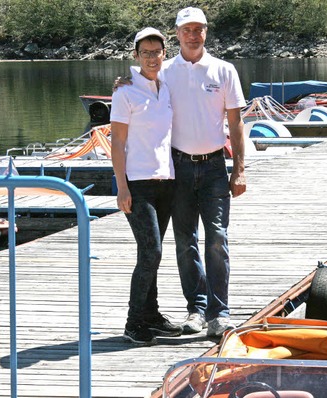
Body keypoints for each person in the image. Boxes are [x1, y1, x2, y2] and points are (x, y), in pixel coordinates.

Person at [165, 7, 247, 338]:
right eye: (187, 29)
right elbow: (138, 93)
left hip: (214, 166)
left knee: (217, 239)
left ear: (206, 32)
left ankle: (220, 312)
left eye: (199, 29)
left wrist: (238, 169)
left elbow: (236, 123)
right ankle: (196, 310)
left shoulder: (224, 70)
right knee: (185, 241)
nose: (193, 34)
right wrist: (124, 80)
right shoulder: (165, 71)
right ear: (177, 34)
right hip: (178, 167)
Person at [110, 27, 182, 345]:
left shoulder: (168, 86)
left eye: (157, 51)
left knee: (151, 253)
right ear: (136, 55)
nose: (152, 57)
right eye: (146, 52)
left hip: (166, 181)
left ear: (165, 54)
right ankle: (133, 321)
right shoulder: (125, 92)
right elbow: (117, 143)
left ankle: (151, 316)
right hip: (137, 184)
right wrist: (121, 187)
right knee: (151, 250)